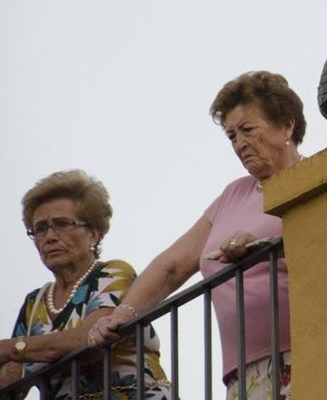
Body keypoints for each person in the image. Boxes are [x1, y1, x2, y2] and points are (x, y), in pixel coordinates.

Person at [91, 71, 302, 400]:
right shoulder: (232, 196)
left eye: (247, 129)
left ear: (287, 125)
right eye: (231, 135)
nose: (239, 144)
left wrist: (262, 246)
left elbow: (326, 246)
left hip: (304, 357)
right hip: (242, 376)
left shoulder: (316, 174)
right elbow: (172, 266)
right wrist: (121, 317)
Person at [0, 170, 171, 399]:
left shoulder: (113, 273)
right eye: (40, 228)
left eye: (62, 224)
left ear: (93, 234)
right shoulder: (34, 304)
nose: (49, 236)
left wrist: (13, 348)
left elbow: (91, 341)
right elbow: (12, 378)